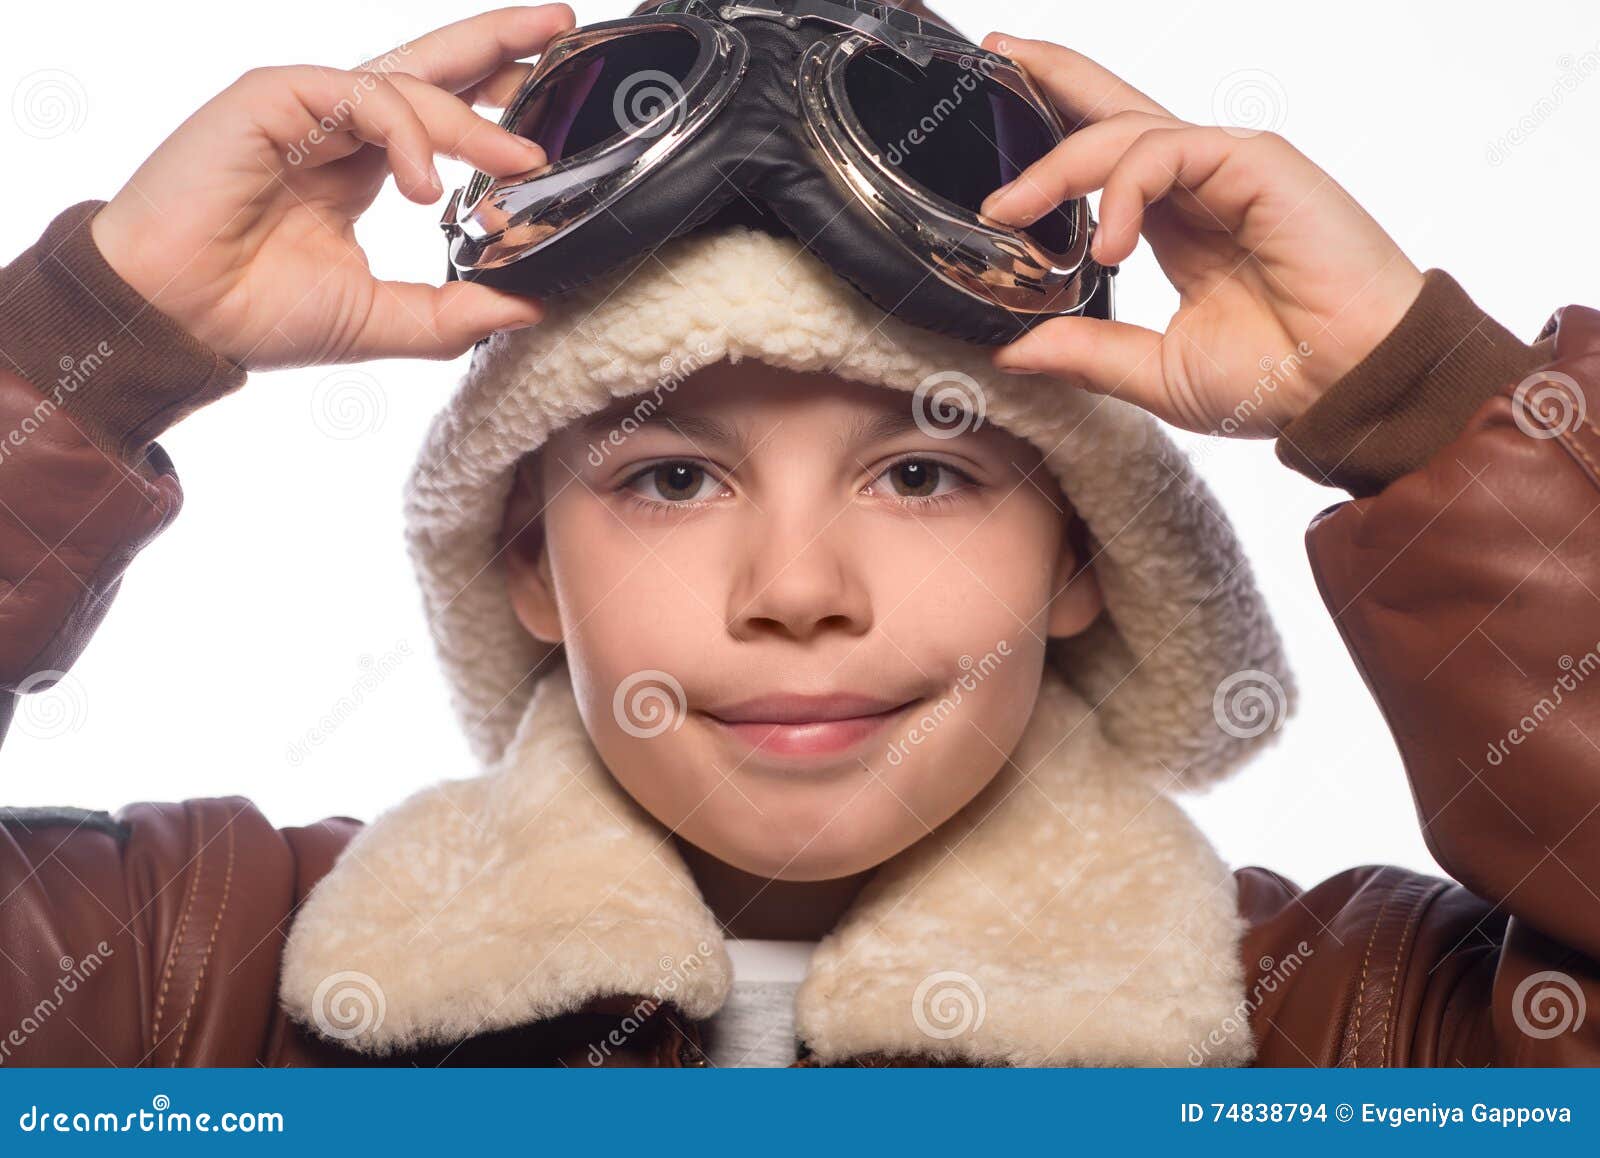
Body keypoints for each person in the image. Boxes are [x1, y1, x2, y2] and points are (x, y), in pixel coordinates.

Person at [1, 3, 1596, 1068]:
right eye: (672, 478)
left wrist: (1428, 399)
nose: (798, 593)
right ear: (522, 562)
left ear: (1083, 556)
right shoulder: (177, 971)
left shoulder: (1361, 1026)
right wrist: (95, 337)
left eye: (924, 471)